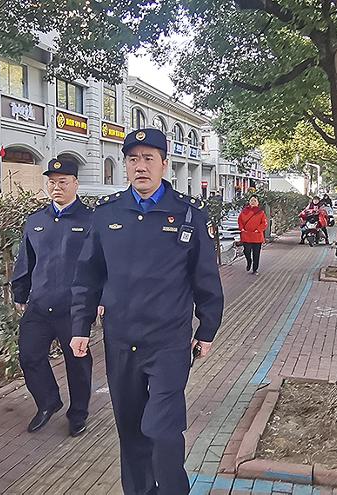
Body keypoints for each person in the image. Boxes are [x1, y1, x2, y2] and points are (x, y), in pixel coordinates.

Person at [69, 128, 225, 494]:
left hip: (168, 341)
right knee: (131, 429)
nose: (141, 166)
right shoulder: (106, 214)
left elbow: (205, 277)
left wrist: (207, 330)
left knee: (163, 428)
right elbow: (88, 275)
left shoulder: (187, 214)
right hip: (121, 340)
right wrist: (80, 326)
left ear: (164, 164)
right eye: (133, 159)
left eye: (149, 159)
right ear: (125, 165)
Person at [11, 158, 94, 437]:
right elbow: (26, 260)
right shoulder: (36, 221)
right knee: (29, 356)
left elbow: (102, 263)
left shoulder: (90, 220)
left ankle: (78, 414)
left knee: (78, 363)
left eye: (63, 182)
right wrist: (20, 292)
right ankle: (48, 402)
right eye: (52, 182)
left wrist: (102, 298)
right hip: (39, 303)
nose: (56, 187)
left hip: (74, 307)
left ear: (75, 184)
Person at [238, 195, 268, 274]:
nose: (253, 202)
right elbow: (240, 220)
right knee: (246, 251)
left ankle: (255, 269)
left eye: (255, 200)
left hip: (256, 236)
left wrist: (258, 230)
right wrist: (241, 228)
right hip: (246, 235)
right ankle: (249, 261)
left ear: (258, 203)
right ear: (249, 202)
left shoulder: (261, 212)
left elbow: (264, 223)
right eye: (251, 200)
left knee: (256, 254)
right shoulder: (244, 211)